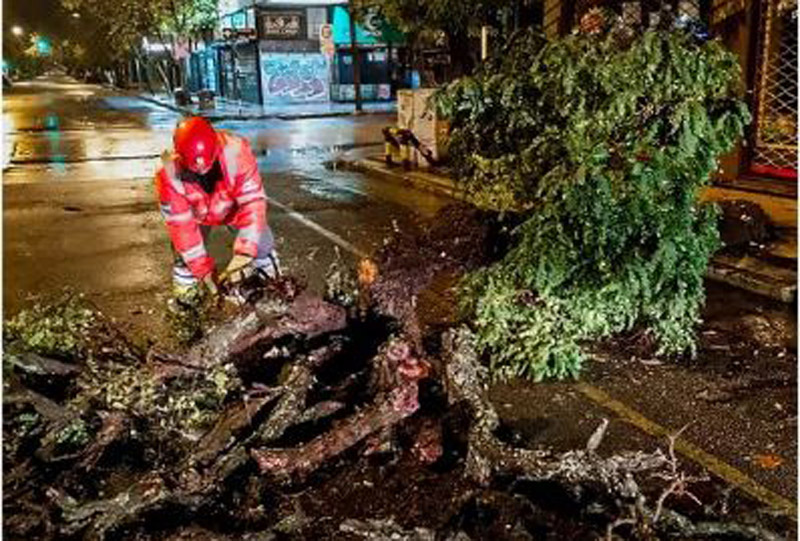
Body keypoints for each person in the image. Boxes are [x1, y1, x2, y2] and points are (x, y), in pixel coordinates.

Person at [155, 116, 278, 302]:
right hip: (197, 217)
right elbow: (181, 226)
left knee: (261, 243)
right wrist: (204, 272)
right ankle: (186, 303)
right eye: (195, 168)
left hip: (233, 210)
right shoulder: (168, 175)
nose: (202, 170)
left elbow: (253, 202)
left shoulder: (236, 152)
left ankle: (274, 287)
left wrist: (244, 254)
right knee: (185, 260)